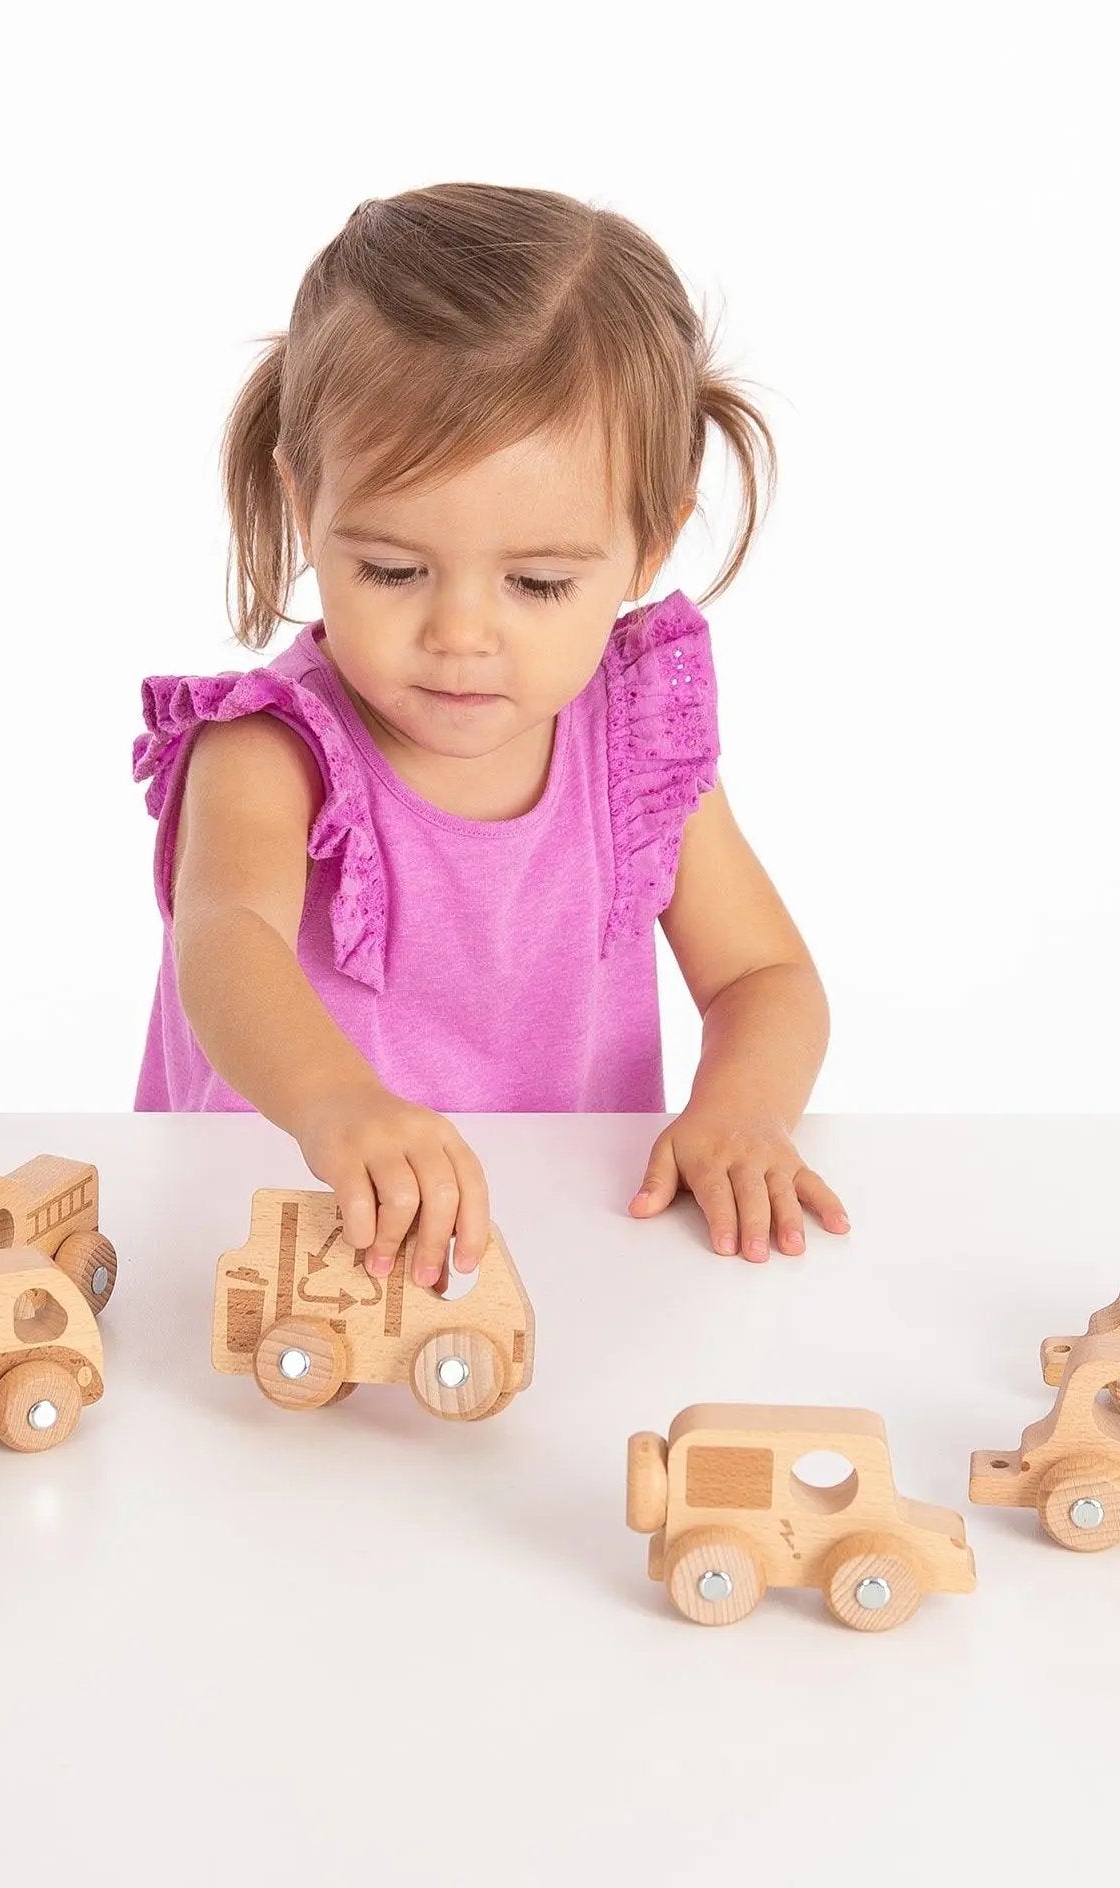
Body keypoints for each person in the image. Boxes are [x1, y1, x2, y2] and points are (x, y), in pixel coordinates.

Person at [133, 182, 847, 1290]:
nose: (461, 633)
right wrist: (340, 1104)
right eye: (394, 570)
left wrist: (741, 1114)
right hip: (286, 1238)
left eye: (539, 582)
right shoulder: (270, 750)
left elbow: (763, 973)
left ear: (647, 552)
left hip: (574, 1256)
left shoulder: (634, 748)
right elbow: (224, 947)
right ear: (302, 505)